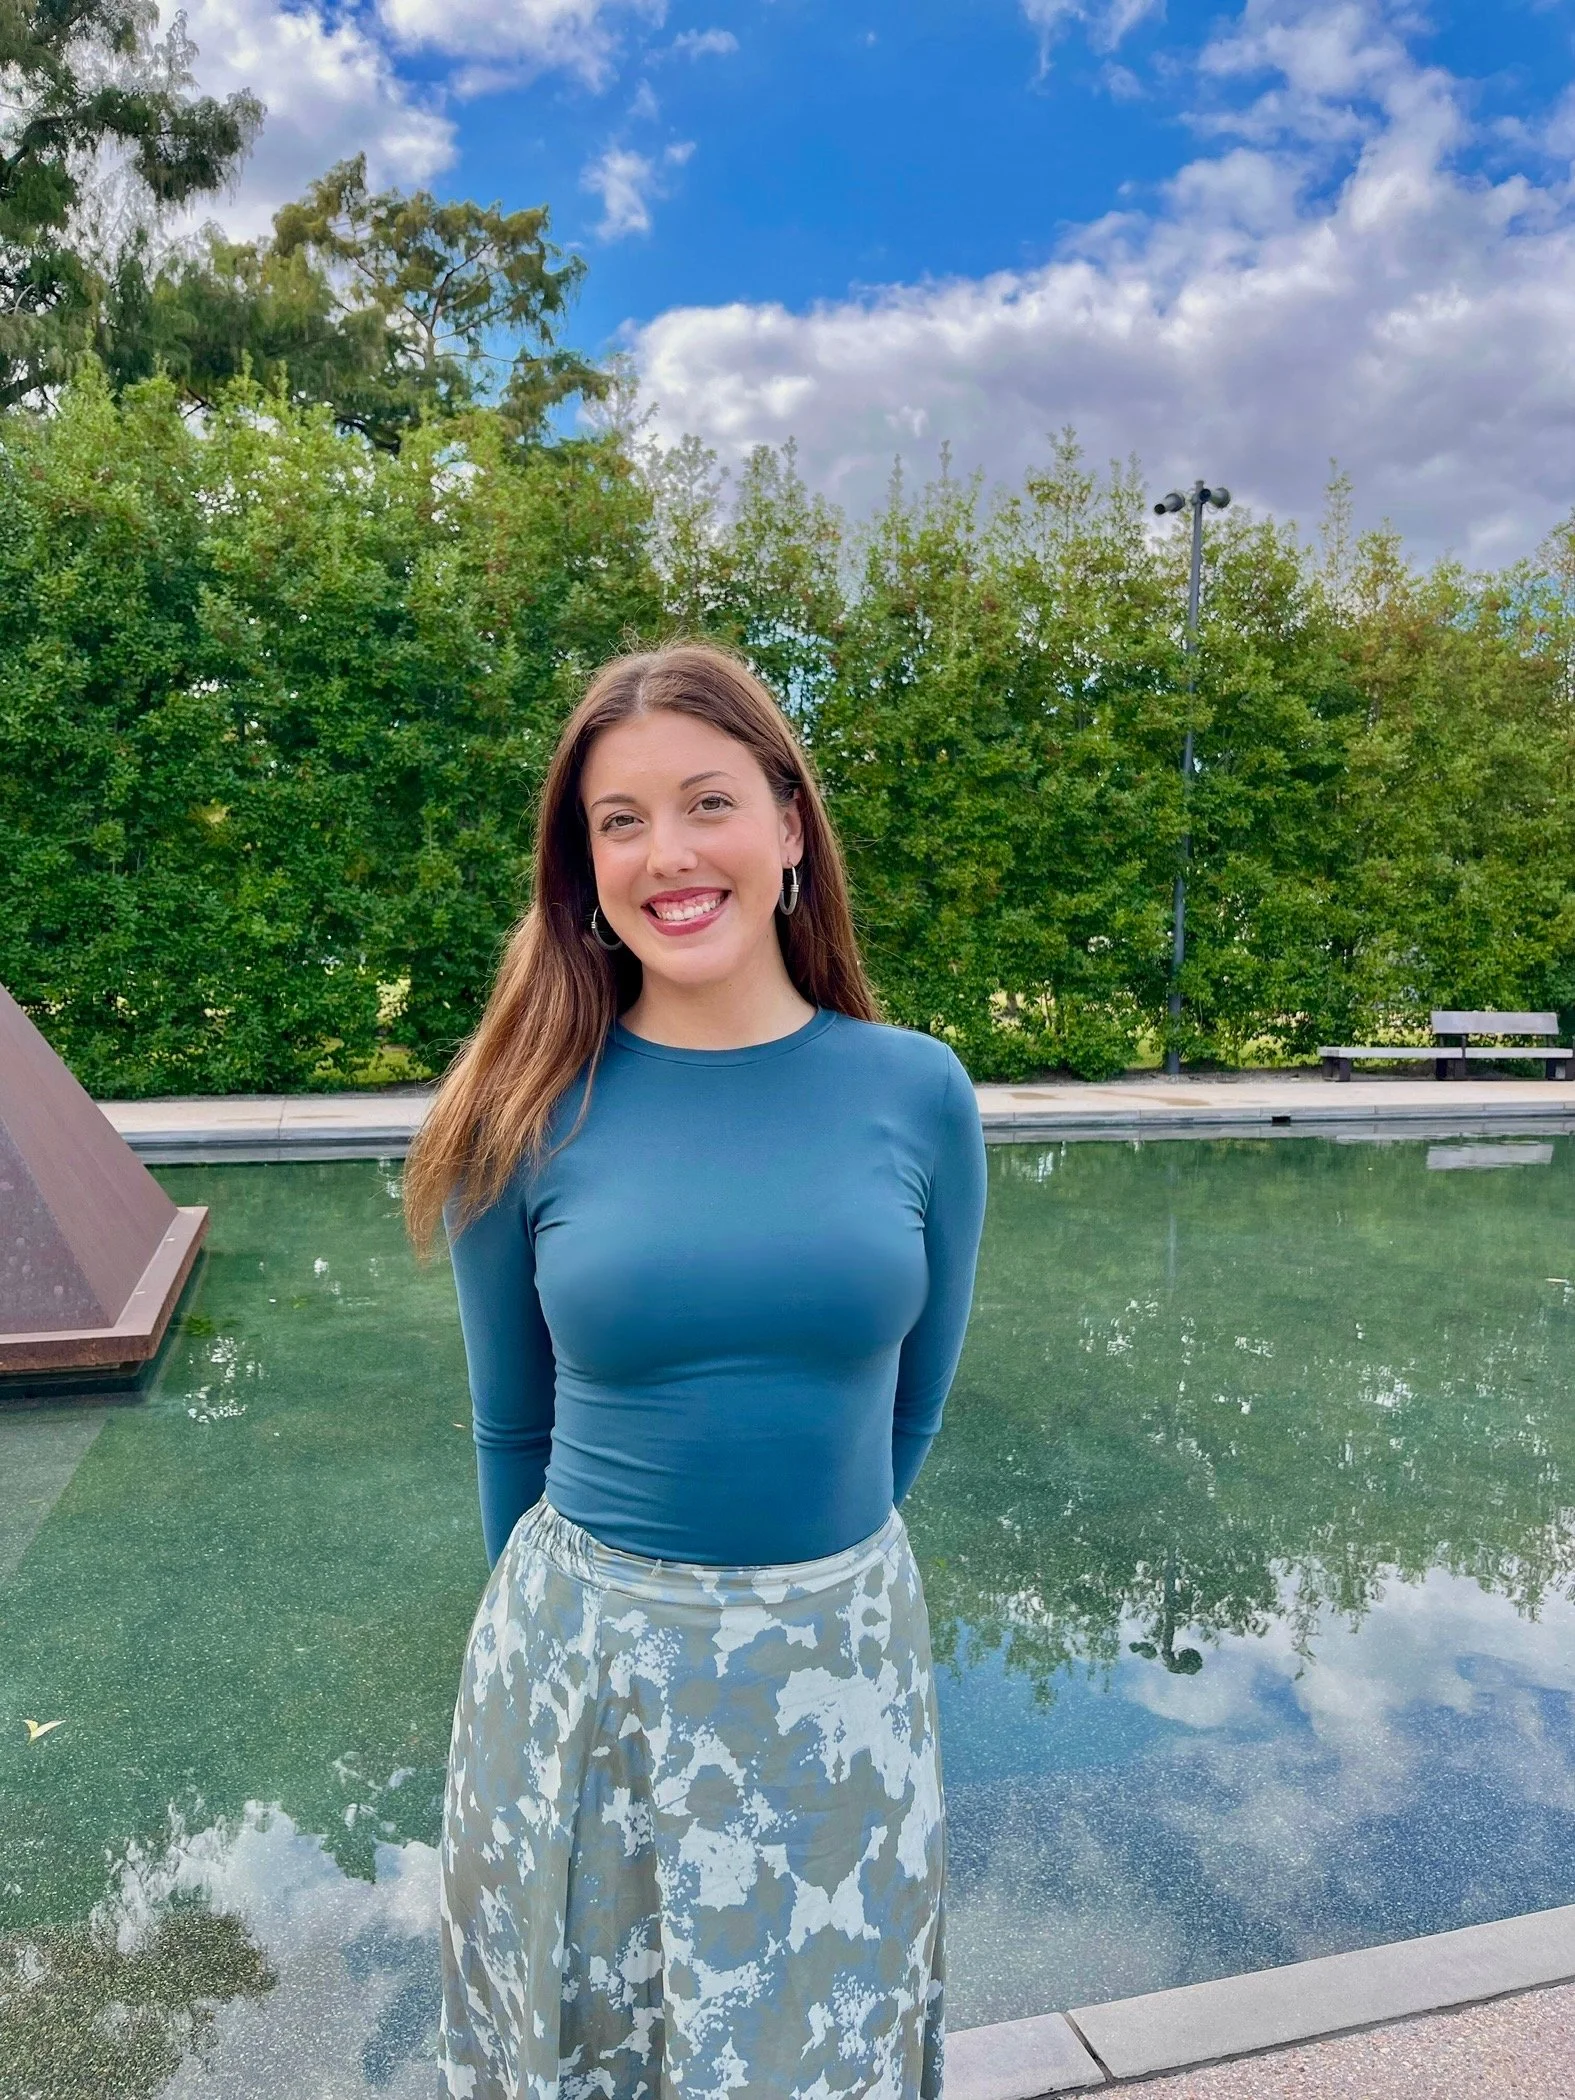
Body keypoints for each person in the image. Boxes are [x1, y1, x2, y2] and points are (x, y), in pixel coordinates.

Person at [403, 641, 988, 2100]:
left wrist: (797, 1588)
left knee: (823, 2051)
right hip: (587, 1669)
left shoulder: (917, 1090)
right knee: (594, 2056)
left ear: (790, 826)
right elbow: (508, 1432)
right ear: (583, 867)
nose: (666, 853)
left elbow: (913, 1403)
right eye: (620, 821)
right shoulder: (519, 1110)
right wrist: (586, 1651)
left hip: (839, 1660)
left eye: (706, 802)